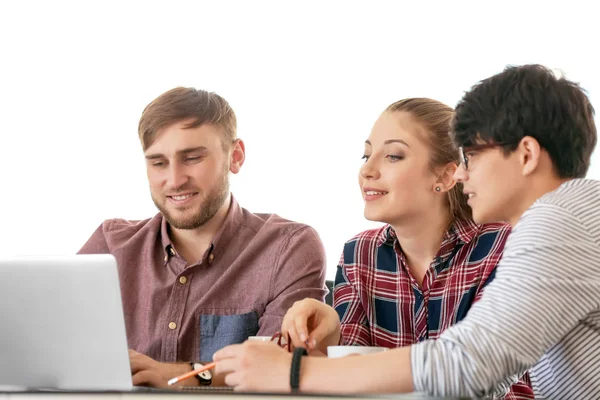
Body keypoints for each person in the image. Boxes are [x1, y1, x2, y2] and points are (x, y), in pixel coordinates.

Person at [213, 64, 600, 399]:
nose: (464, 171)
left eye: (474, 156)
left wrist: (293, 374)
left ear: (527, 155)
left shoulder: (559, 221)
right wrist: (330, 342)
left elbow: (471, 364)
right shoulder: (570, 217)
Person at [78, 87, 328, 388]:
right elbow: (55, 348)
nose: (174, 180)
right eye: (158, 163)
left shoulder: (288, 247)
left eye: (192, 158)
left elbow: (283, 368)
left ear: (235, 157)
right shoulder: (110, 244)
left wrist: (180, 376)